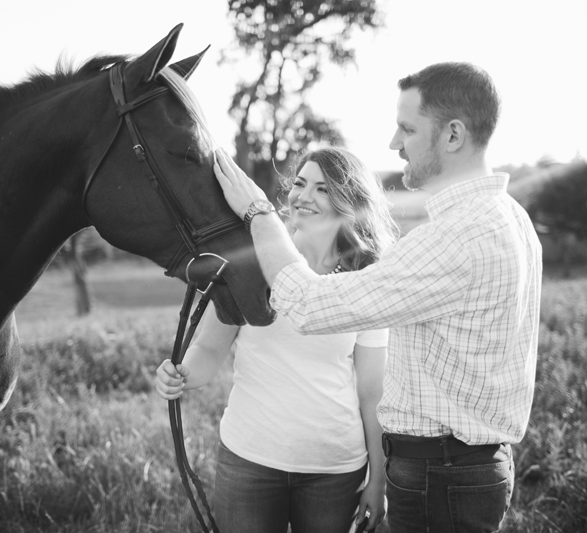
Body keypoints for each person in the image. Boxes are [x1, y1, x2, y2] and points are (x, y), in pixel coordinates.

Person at [212, 62, 542, 533]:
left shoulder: (456, 238)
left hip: (441, 475)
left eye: (407, 128)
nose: (394, 143)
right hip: (460, 470)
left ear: (453, 135)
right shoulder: (510, 217)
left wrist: (259, 216)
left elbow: (309, 306)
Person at [156, 146, 400, 533]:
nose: (303, 196)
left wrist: (378, 479)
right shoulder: (248, 261)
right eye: (300, 183)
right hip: (249, 460)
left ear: (348, 200)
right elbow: (209, 347)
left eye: (321, 188)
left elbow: (372, 391)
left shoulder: (365, 280)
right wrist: (182, 374)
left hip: (335, 469)